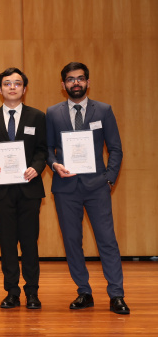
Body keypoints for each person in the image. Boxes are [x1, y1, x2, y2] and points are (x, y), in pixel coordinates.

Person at [46, 62, 129, 315]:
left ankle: (116, 295)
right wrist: (54, 165)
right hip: (65, 186)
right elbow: (48, 149)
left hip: (97, 187)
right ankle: (84, 291)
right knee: (72, 242)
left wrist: (109, 179)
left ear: (88, 82)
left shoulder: (103, 110)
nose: (76, 83)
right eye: (71, 79)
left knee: (107, 241)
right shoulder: (52, 113)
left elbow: (115, 148)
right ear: (63, 85)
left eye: (80, 79)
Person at [0, 68, 46, 310]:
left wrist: (37, 168)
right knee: (7, 243)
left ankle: (32, 292)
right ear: (0, 89)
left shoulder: (37, 117)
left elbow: (42, 150)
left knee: (29, 242)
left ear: (24, 89)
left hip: (29, 189)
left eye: (17, 83)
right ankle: (11, 292)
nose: (12, 87)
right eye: (7, 83)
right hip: (1, 191)